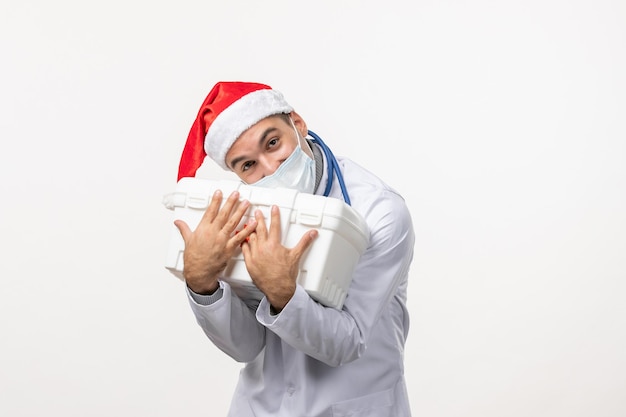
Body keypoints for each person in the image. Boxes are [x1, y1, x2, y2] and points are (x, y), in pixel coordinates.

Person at [173, 81, 415, 417]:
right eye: (247, 165)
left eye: (273, 143)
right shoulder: (241, 213)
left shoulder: (380, 211)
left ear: (297, 122)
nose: (270, 168)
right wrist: (203, 285)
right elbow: (246, 346)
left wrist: (283, 293)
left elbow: (348, 341)